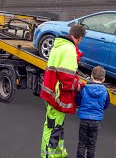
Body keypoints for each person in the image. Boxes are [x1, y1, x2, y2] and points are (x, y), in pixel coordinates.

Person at [40, 25, 86, 158]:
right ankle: (48, 155)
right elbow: (67, 79)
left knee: (57, 126)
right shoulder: (69, 50)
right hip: (57, 96)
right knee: (53, 127)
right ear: (80, 38)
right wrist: (79, 86)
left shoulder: (59, 46)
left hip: (51, 92)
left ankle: (59, 153)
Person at [76, 66, 110, 158]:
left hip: (84, 119)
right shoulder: (105, 92)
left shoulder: (84, 88)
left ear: (91, 76)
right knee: (91, 144)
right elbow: (106, 105)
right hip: (96, 120)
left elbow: (78, 101)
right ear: (103, 79)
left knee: (82, 142)